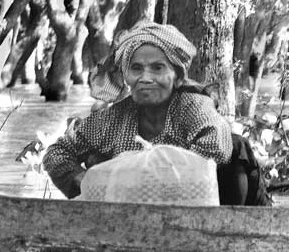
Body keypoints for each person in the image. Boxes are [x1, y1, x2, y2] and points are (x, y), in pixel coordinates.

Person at [40, 23, 233, 199]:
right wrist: (84, 181)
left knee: (240, 151)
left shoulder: (192, 106)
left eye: (158, 68)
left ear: (178, 77)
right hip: (128, 215)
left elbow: (216, 149)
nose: (145, 78)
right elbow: (58, 153)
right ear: (127, 76)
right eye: (136, 68)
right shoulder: (114, 118)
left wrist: (139, 173)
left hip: (189, 210)